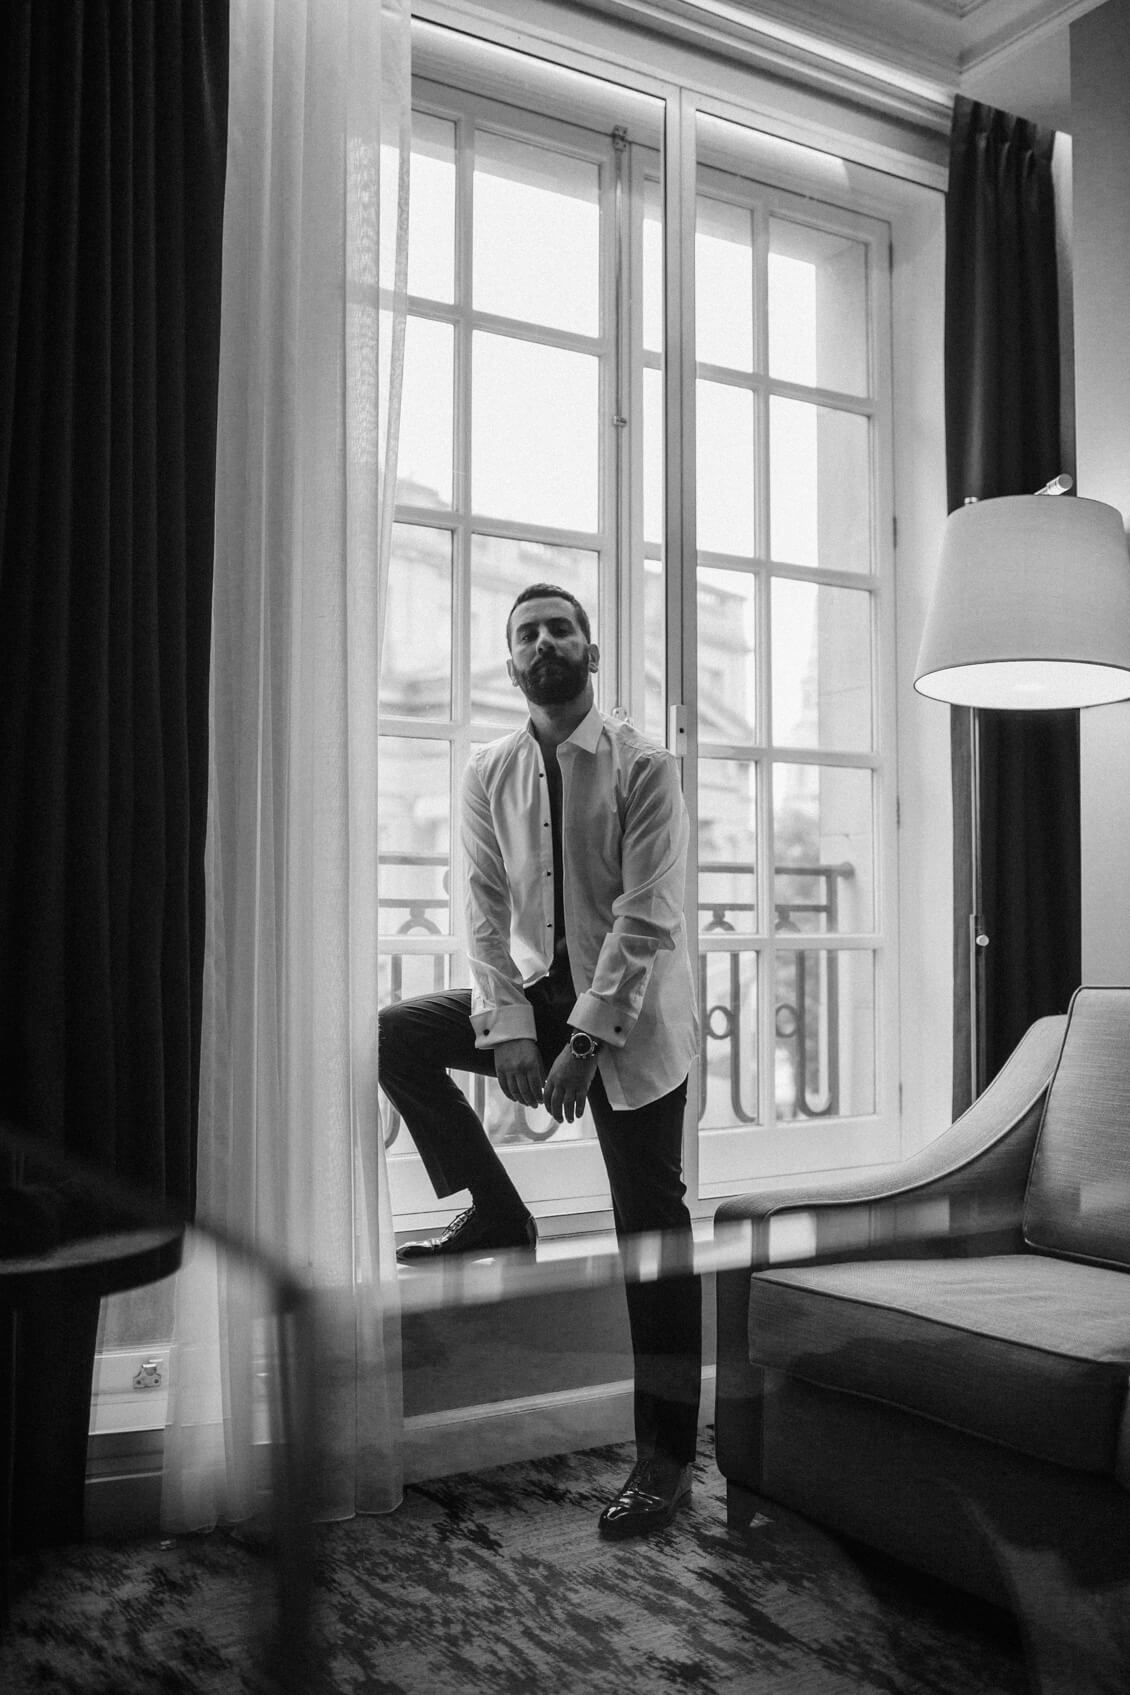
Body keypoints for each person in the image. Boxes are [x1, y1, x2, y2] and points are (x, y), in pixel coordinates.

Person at [378, 583, 701, 1537]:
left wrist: (583, 1044)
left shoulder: (647, 766)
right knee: (393, 1035)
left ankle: (666, 1456)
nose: (545, 641)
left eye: (562, 627)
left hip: (634, 1021)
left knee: (654, 1230)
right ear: (512, 662)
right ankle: (498, 1211)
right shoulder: (489, 770)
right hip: (536, 999)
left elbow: (646, 919)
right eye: (527, 633)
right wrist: (511, 1025)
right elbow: (480, 911)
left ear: (590, 654)